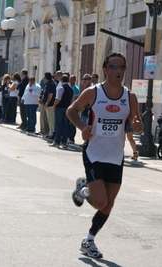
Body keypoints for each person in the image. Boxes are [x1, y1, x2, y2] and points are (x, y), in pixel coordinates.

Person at [67, 52, 143, 258]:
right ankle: (83, 190)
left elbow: (137, 125)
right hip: (94, 152)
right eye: (114, 67)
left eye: (122, 68)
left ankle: (89, 239)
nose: (118, 71)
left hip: (116, 155)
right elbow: (71, 111)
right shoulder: (93, 93)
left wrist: (137, 126)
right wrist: (82, 127)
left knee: (108, 205)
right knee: (100, 202)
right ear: (105, 69)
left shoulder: (130, 97)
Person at [50, 75, 74, 148]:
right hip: (66, 108)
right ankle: (64, 142)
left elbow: (58, 99)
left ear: (61, 80)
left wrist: (54, 105)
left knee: (58, 125)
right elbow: (72, 101)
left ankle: (57, 141)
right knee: (65, 125)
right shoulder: (71, 89)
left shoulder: (61, 88)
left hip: (60, 108)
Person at [42, 72, 56, 139]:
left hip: (50, 105)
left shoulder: (50, 85)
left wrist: (46, 103)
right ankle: (50, 132)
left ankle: (52, 133)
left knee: (51, 119)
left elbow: (50, 95)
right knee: (49, 119)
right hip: (50, 105)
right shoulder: (49, 84)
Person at [68, 75, 80, 144]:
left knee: (73, 124)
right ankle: (69, 136)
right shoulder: (69, 87)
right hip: (69, 108)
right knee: (68, 123)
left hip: (74, 108)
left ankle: (72, 138)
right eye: (70, 79)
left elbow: (77, 98)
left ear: (75, 80)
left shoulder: (76, 88)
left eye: (72, 79)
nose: (71, 81)